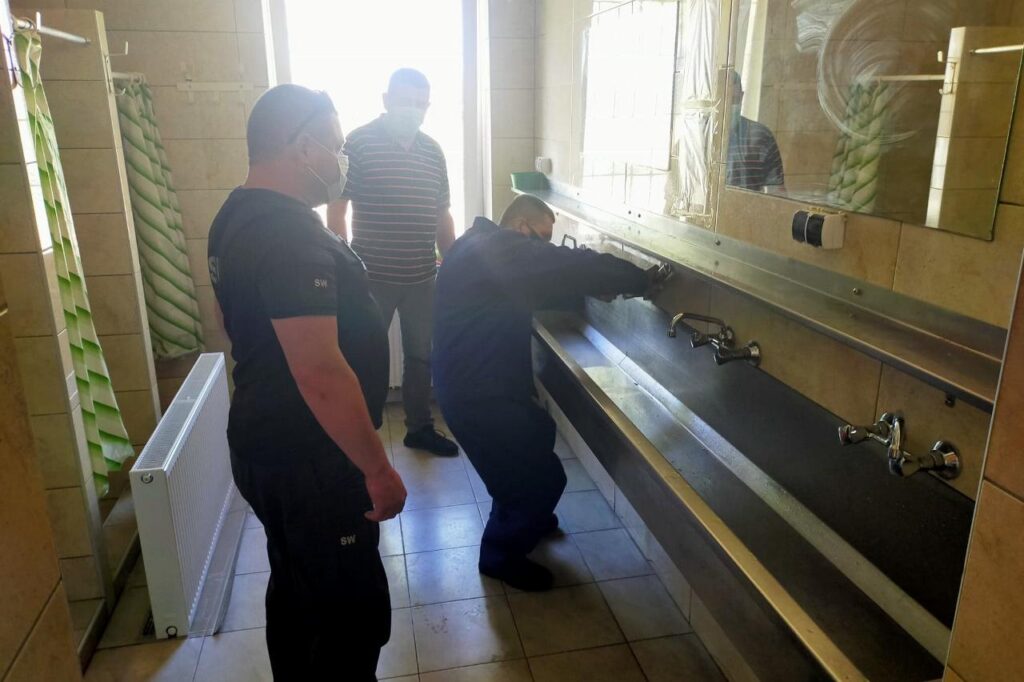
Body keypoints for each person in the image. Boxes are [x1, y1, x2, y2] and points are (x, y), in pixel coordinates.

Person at [207, 84, 406, 680]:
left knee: (298, 586)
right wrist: (377, 469)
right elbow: (319, 372)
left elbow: (227, 320)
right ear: (301, 148)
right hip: (310, 459)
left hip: (265, 443)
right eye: (336, 146)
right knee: (345, 614)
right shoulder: (291, 236)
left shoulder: (235, 214)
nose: (341, 160)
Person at [432, 195, 670, 591]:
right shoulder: (497, 246)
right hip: (478, 395)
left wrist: (590, 288)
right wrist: (639, 279)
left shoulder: (476, 245)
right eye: (542, 236)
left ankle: (527, 514)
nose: (545, 245)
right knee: (543, 478)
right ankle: (500, 556)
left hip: (472, 385)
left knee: (535, 436)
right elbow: (566, 264)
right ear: (521, 227)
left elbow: (534, 285)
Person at [328, 68, 458, 457]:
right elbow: (337, 210)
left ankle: (419, 428)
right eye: (404, 100)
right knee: (363, 357)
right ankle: (358, 437)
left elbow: (442, 214)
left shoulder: (433, 151)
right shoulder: (358, 143)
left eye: (420, 103)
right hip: (371, 278)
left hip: (422, 277)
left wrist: (454, 263)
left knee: (421, 357)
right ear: (386, 100)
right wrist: (347, 267)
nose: (412, 109)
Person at [726, 71, 786, 193]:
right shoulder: (697, 138)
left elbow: (777, 191)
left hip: (750, 205)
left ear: (742, 97)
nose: (729, 106)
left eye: (734, 100)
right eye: (724, 101)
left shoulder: (761, 136)